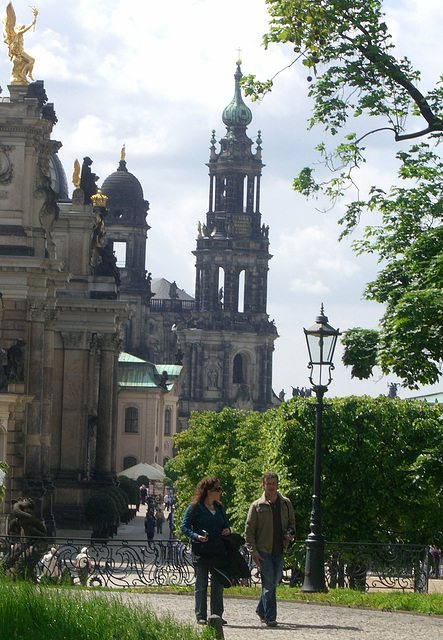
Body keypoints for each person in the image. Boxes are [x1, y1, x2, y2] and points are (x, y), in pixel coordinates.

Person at [245, 472, 295, 628]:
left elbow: (292, 524)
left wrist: (291, 533)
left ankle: (261, 609)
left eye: (274, 483)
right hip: (264, 551)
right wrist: (253, 552)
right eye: (268, 484)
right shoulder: (256, 506)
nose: (271, 487)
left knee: (273, 583)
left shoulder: (286, 504)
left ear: (278, 484)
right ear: (263, 485)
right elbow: (249, 532)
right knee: (269, 586)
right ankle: (270, 617)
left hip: (280, 550)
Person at [181, 476, 230, 625]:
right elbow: (184, 527)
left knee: (218, 583)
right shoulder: (195, 507)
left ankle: (217, 615)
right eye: (217, 489)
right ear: (209, 492)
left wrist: (226, 530)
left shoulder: (220, 507)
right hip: (201, 550)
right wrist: (196, 536)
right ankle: (200, 615)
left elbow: (226, 525)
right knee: (201, 583)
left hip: (217, 549)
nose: (220, 491)